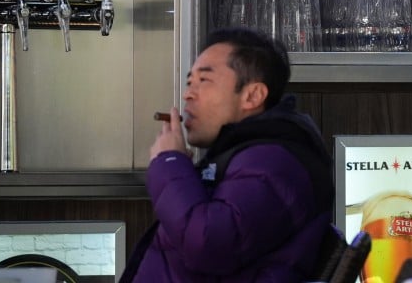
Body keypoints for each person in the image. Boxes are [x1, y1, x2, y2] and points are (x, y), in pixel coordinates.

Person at [121, 28, 334, 283]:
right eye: (190, 82)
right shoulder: (249, 156)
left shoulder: (275, 163)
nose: (188, 94)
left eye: (204, 81)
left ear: (252, 95)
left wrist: (170, 163)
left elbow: (207, 244)